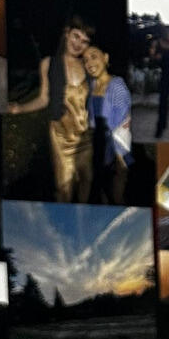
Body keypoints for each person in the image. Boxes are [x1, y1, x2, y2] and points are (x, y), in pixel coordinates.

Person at [40, 18, 95, 203]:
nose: (79, 43)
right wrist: (17, 108)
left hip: (84, 135)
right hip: (61, 134)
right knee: (64, 186)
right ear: (66, 33)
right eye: (76, 36)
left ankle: (83, 213)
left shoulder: (89, 67)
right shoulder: (50, 63)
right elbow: (43, 99)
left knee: (87, 178)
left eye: (85, 41)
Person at [85, 41, 133, 202]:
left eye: (93, 57)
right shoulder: (92, 85)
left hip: (115, 149)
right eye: (85, 60)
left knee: (116, 195)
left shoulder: (116, 85)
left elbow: (123, 124)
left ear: (105, 58)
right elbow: (91, 119)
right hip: (97, 145)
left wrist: (120, 157)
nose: (89, 63)